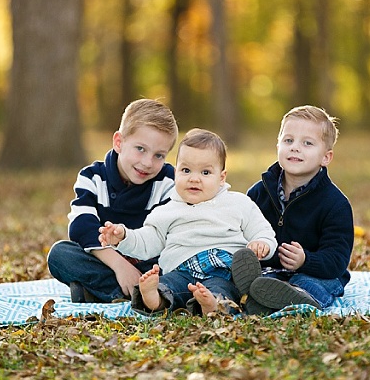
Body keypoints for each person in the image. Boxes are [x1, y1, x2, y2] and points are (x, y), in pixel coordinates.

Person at [98, 128, 277, 316]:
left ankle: (213, 305)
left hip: (223, 271)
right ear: (176, 173)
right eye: (186, 170)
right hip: (181, 269)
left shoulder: (238, 203)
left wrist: (261, 244)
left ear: (221, 178)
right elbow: (147, 241)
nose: (194, 178)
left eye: (206, 172)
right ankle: (154, 299)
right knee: (168, 284)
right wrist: (124, 236)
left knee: (221, 289)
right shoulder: (166, 211)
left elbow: (263, 230)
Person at [47, 99, 178, 303]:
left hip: (150, 263)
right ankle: (129, 292)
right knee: (60, 255)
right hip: (106, 260)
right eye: (140, 149)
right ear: (119, 142)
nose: (147, 163)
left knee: (179, 260)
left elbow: (167, 233)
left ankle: (107, 292)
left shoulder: (168, 181)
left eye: (159, 155)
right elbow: (81, 227)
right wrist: (119, 265)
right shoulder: (92, 177)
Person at [244, 105, 354, 314]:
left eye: (307, 143)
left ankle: (300, 301)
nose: (295, 147)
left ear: (326, 157)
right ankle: (255, 296)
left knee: (312, 284)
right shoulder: (258, 194)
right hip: (270, 270)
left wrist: (306, 260)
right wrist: (255, 246)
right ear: (278, 145)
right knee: (260, 281)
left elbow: (337, 259)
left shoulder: (335, 205)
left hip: (317, 273)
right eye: (288, 140)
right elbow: (240, 230)